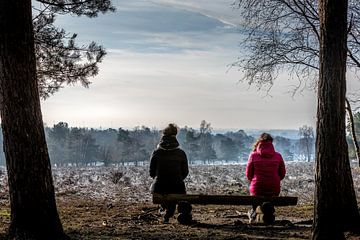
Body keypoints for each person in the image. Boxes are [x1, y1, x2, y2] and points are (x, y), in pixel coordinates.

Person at [149, 123, 189, 223]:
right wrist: (177, 178)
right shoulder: (181, 153)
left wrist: (159, 178)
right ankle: (170, 214)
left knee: (166, 191)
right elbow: (185, 172)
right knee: (176, 190)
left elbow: (151, 172)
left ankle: (167, 213)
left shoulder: (157, 152)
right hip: (177, 186)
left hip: (159, 186)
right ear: (175, 136)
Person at [245, 133, 286, 222]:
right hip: (273, 189)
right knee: (267, 206)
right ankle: (266, 210)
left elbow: (248, 175)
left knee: (256, 202)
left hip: (257, 189)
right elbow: (282, 174)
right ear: (271, 143)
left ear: (259, 142)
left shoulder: (253, 155)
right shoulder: (278, 156)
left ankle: (256, 211)